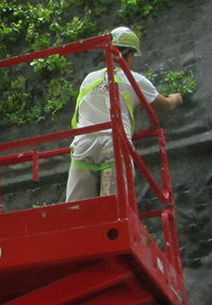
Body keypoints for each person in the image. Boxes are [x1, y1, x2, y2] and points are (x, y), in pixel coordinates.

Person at [65, 27, 183, 202]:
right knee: (116, 209)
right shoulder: (136, 80)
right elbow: (164, 105)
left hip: (83, 145)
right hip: (114, 145)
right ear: (130, 55)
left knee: (77, 210)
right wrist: (177, 98)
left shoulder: (89, 78)